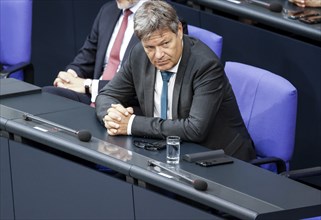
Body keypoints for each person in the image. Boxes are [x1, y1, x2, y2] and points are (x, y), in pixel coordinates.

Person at [95, 0, 256, 162]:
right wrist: (112, 117)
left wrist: (130, 124)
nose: (158, 55)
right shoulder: (139, 55)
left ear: (179, 31)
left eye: (165, 44)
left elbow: (195, 129)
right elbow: (106, 94)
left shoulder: (206, 65)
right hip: (166, 151)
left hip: (219, 158)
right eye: (150, 47)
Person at [42, 0, 145, 105]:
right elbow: (88, 55)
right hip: (94, 95)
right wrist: (70, 76)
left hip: (126, 102)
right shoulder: (108, 10)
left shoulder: (158, 17)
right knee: (48, 95)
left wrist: (88, 85)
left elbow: (140, 85)